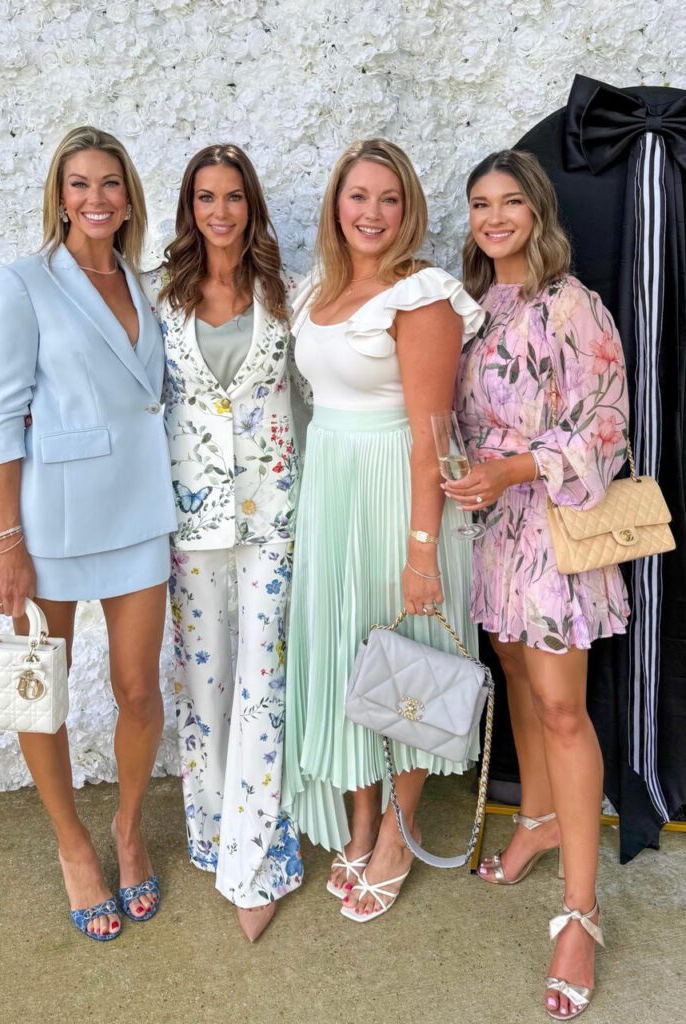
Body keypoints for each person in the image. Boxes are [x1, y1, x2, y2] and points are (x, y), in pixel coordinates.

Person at [445, 149, 629, 1020]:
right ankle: (539, 820)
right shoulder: (472, 308)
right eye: (480, 204)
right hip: (489, 534)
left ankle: (581, 917)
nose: (493, 217)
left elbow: (608, 428)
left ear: (537, 211)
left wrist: (514, 467)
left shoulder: (573, 304)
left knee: (562, 707)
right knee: (516, 677)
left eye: (509, 201)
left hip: (554, 534)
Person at [0, 126, 177, 941]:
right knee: (43, 689)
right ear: (59, 197)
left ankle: (128, 830)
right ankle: (73, 847)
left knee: (138, 688)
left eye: (109, 184)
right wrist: (6, 542)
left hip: (141, 509)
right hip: (54, 518)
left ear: (129, 197)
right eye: (78, 184)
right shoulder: (24, 283)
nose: (95, 198)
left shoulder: (148, 283)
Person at [282, 139, 484, 923]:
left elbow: (433, 435)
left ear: (409, 211)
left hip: (400, 496)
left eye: (389, 199)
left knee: (406, 662)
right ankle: (360, 820)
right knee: (345, 657)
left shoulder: (423, 294)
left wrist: (422, 551)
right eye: (359, 196)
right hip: (331, 489)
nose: (372, 213)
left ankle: (398, 833)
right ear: (337, 203)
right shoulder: (314, 292)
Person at [142, 144, 305, 942]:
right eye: (205, 197)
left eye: (233, 196)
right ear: (189, 208)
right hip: (190, 523)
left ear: (252, 205)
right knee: (204, 690)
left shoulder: (291, 295)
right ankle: (211, 835)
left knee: (262, 682)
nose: (220, 211)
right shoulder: (157, 299)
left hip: (272, 516)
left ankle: (259, 859)